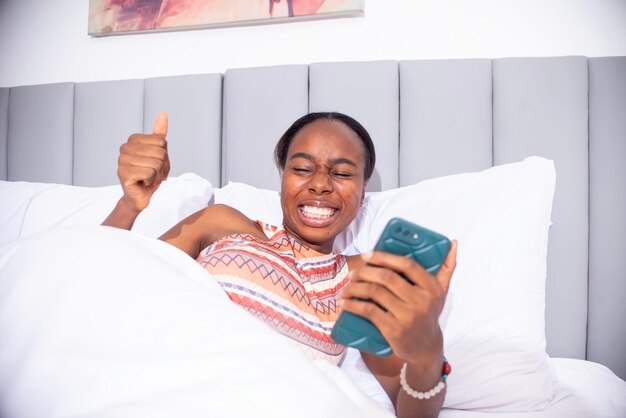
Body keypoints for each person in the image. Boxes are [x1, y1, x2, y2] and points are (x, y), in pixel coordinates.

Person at [103, 111, 458, 418]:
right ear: (282, 180)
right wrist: (129, 205)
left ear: (364, 191)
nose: (320, 184)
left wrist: (428, 354)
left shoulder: (365, 278)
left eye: (343, 174)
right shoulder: (219, 222)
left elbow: (412, 412)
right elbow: (109, 292)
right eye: (302, 168)